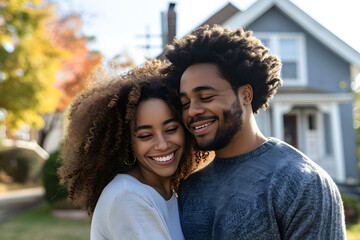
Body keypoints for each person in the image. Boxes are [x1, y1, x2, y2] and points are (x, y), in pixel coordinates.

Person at [163, 25, 346, 239]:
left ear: (246, 95)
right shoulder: (188, 188)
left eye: (206, 97)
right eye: (185, 103)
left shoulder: (301, 183)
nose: (192, 111)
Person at [58, 60, 205, 240]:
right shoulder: (128, 196)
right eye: (145, 135)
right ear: (127, 143)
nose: (162, 144)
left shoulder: (166, 192)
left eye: (171, 129)